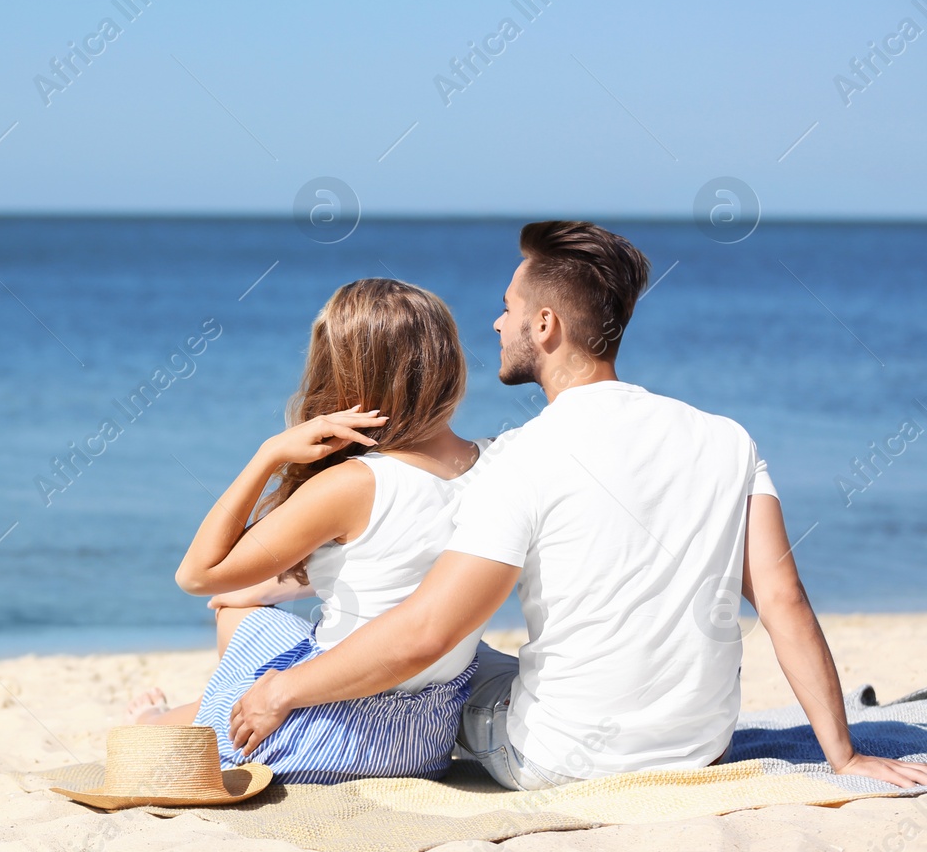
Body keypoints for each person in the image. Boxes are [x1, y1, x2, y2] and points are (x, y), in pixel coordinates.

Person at [228, 221, 927, 790]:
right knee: (481, 653)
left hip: (556, 759)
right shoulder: (726, 438)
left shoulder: (527, 455)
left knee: (450, 667)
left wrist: (280, 693)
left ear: (545, 324)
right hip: (697, 745)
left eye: (506, 308)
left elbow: (425, 635)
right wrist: (843, 756)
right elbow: (783, 601)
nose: (495, 323)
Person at [133, 277, 490, 783]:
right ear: (449, 365)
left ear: (344, 378)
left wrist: (270, 454)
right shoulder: (497, 463)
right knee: (244, 606)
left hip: (328, 737)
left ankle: (159, 722)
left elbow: (196, 576)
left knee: (239, 614)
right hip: (421, 743)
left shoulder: (354, 484)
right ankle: (203, 705)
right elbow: (405, 558)